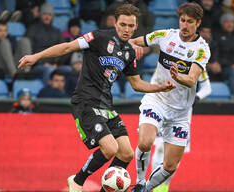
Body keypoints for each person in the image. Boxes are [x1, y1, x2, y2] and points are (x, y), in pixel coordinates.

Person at [18, 4, 176, 192]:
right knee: (110, 148)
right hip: (85, 102)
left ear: (136, 27)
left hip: (106, 106)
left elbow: (136, 84)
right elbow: (67, 47)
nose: (126, 29)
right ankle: (77, 181)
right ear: (115, 23)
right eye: (123, 24)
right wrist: (37, 56)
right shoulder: (99, 37)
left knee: (126, 153)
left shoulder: (130, 52)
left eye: (130, 26)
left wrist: (160, 87)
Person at [128, 2, 211, 192]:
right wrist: (133, 47)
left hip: (180, 112)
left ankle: (145, 189)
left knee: (170, 166)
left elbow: (191, 80)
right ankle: (140, 182)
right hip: (157, 99)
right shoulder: (165, 36)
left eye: (190, 22)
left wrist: (177, 76)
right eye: (182, 20)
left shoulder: (201, 49)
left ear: (198, 23)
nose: (185, 25)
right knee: (145, 142)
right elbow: (133, 41)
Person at [151, 70, 211, 192]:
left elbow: (207, 88)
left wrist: (195, 99)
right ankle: (155, 186)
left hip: (183, 115)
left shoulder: (199, 65)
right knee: (160, 147)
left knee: (174, 154)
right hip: (164, 109)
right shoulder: (168, 58)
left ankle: (165, 186)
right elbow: (154, 80)